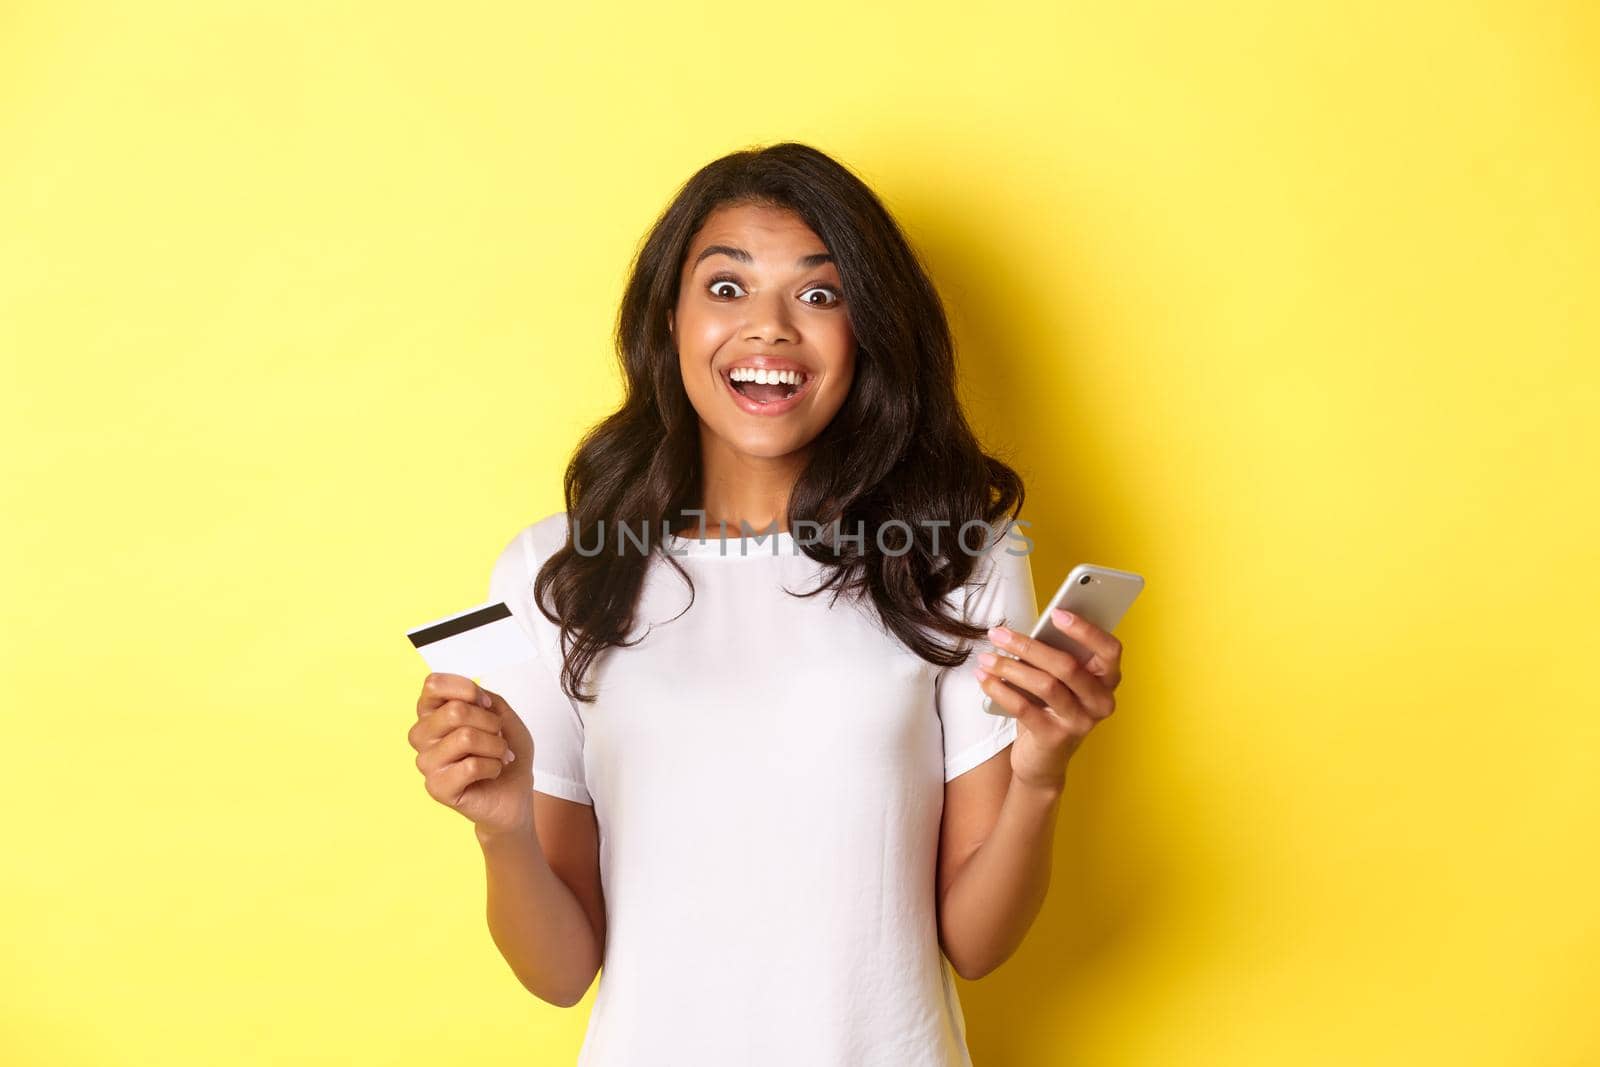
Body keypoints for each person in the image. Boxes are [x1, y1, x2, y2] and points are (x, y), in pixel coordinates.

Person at [407, 142, 1128, 1065]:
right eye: (726, 287)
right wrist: (503, 830)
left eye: (820, 295)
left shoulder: (956, 561)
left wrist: (1039, 775)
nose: (771, 328)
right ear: (668, 320)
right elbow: (558, 971)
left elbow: (977, 945)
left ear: (867, 330)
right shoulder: (564, 569)